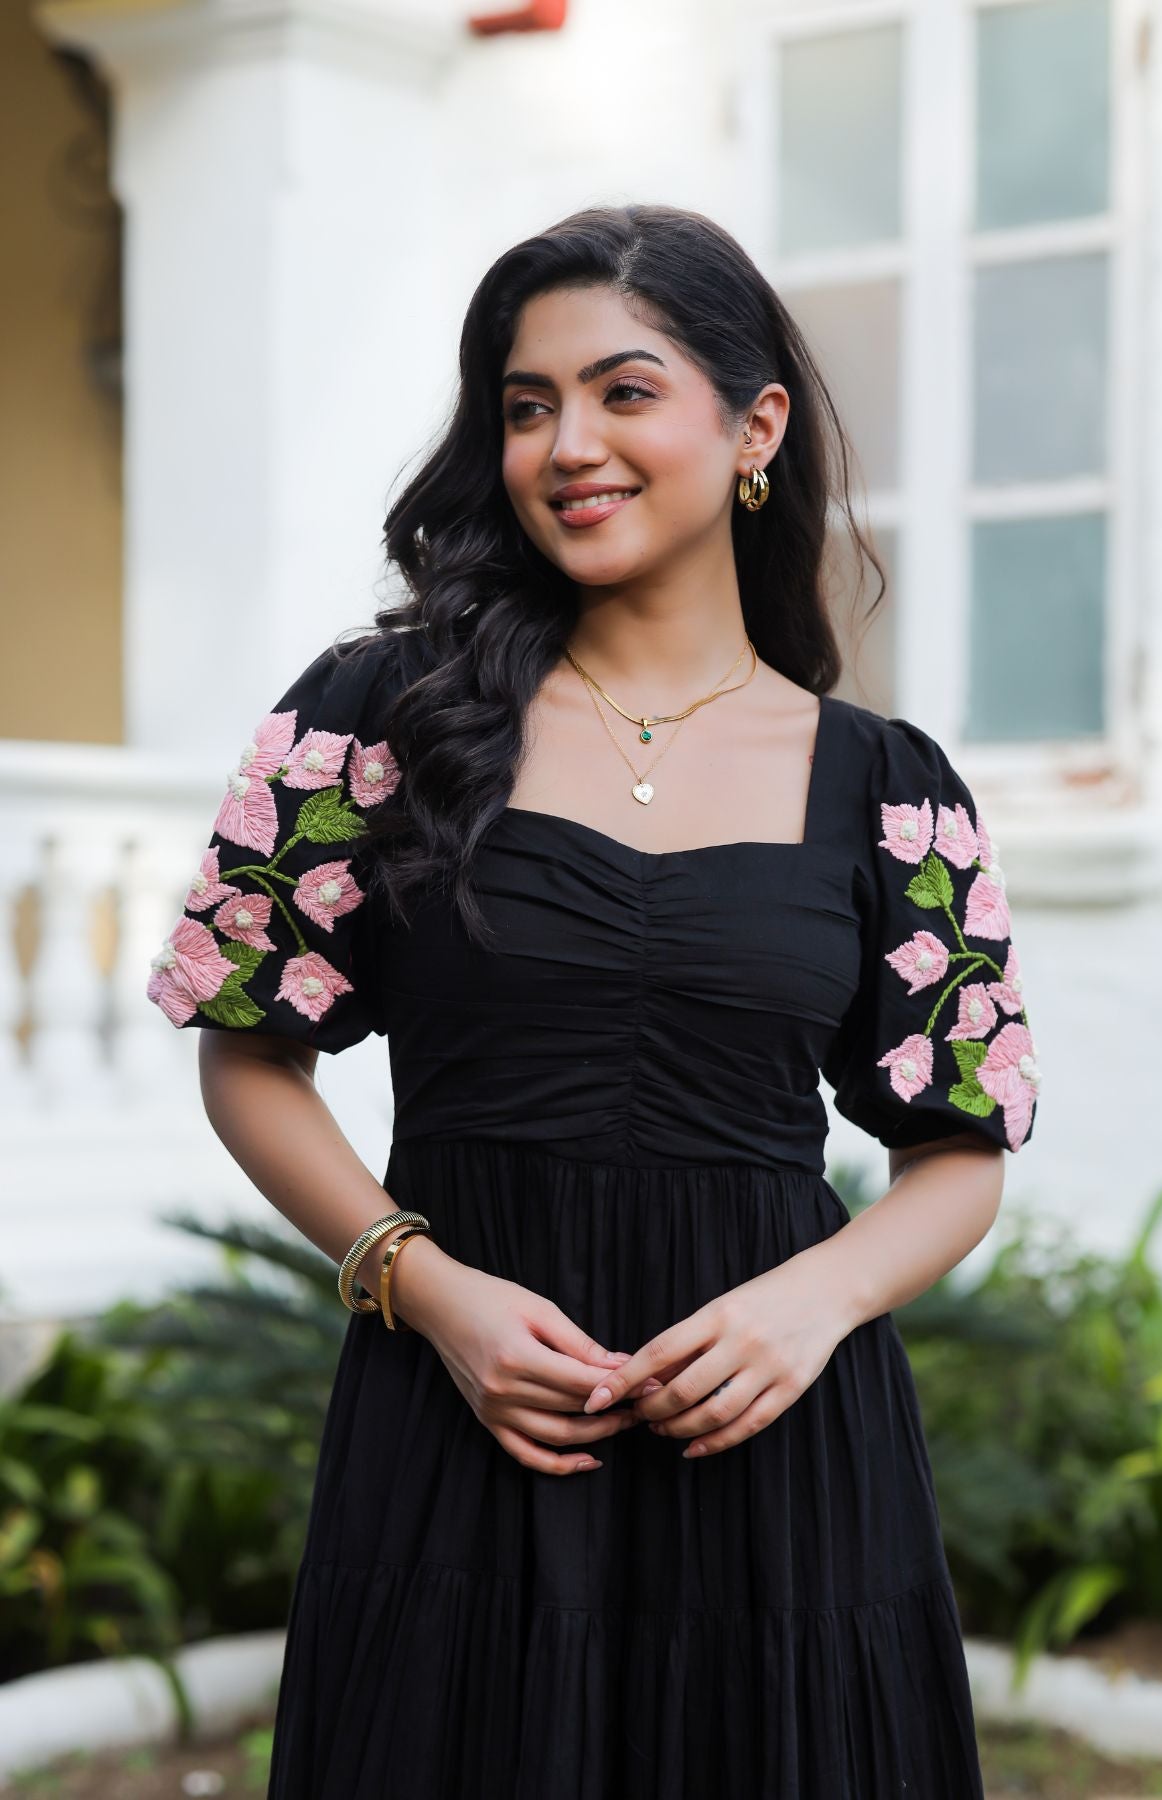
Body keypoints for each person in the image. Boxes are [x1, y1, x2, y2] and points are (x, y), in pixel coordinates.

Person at [147, 201, 1040, 1798]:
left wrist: (813, 1302)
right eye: (526, 403)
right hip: (461, 1434)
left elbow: (959, 1147)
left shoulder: (888, 787)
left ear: (754, 424)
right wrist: (425, 1289)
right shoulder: (376, 715)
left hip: (779, 1455)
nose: (569, 443)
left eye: (625, 392)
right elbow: (249, 1054)